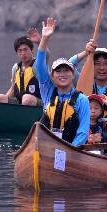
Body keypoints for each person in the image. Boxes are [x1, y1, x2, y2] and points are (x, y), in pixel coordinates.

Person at [34, 17, 90, 147]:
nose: (62, 74)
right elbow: (40, 65)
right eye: (58, 71)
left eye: (66, 70)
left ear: (72, 74)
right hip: (46, 147)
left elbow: (82, 132)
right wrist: (44, 39)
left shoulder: (82, 100)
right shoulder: (47, 90)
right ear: (52, 76)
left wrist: (69, 150)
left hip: (71, 147)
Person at [69, 40, 107, 134]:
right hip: (85, 133)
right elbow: (68, 65)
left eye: (106, 64)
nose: (102, 68)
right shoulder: (83, 83)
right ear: (91, 66)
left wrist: (97, 122)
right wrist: (85, 52)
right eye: (97, 63)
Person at [0, 28, 43, 106]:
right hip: (20, 103)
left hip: (40, 103)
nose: (23, 53)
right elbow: (13, 87)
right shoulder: (16, 68)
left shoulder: (38, 65)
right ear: (17, 53)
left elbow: (46, 54)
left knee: (27, 99)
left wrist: (40, 42)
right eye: (20, 50)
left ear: (32, 51)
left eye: (25, 49)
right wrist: (3, 102)